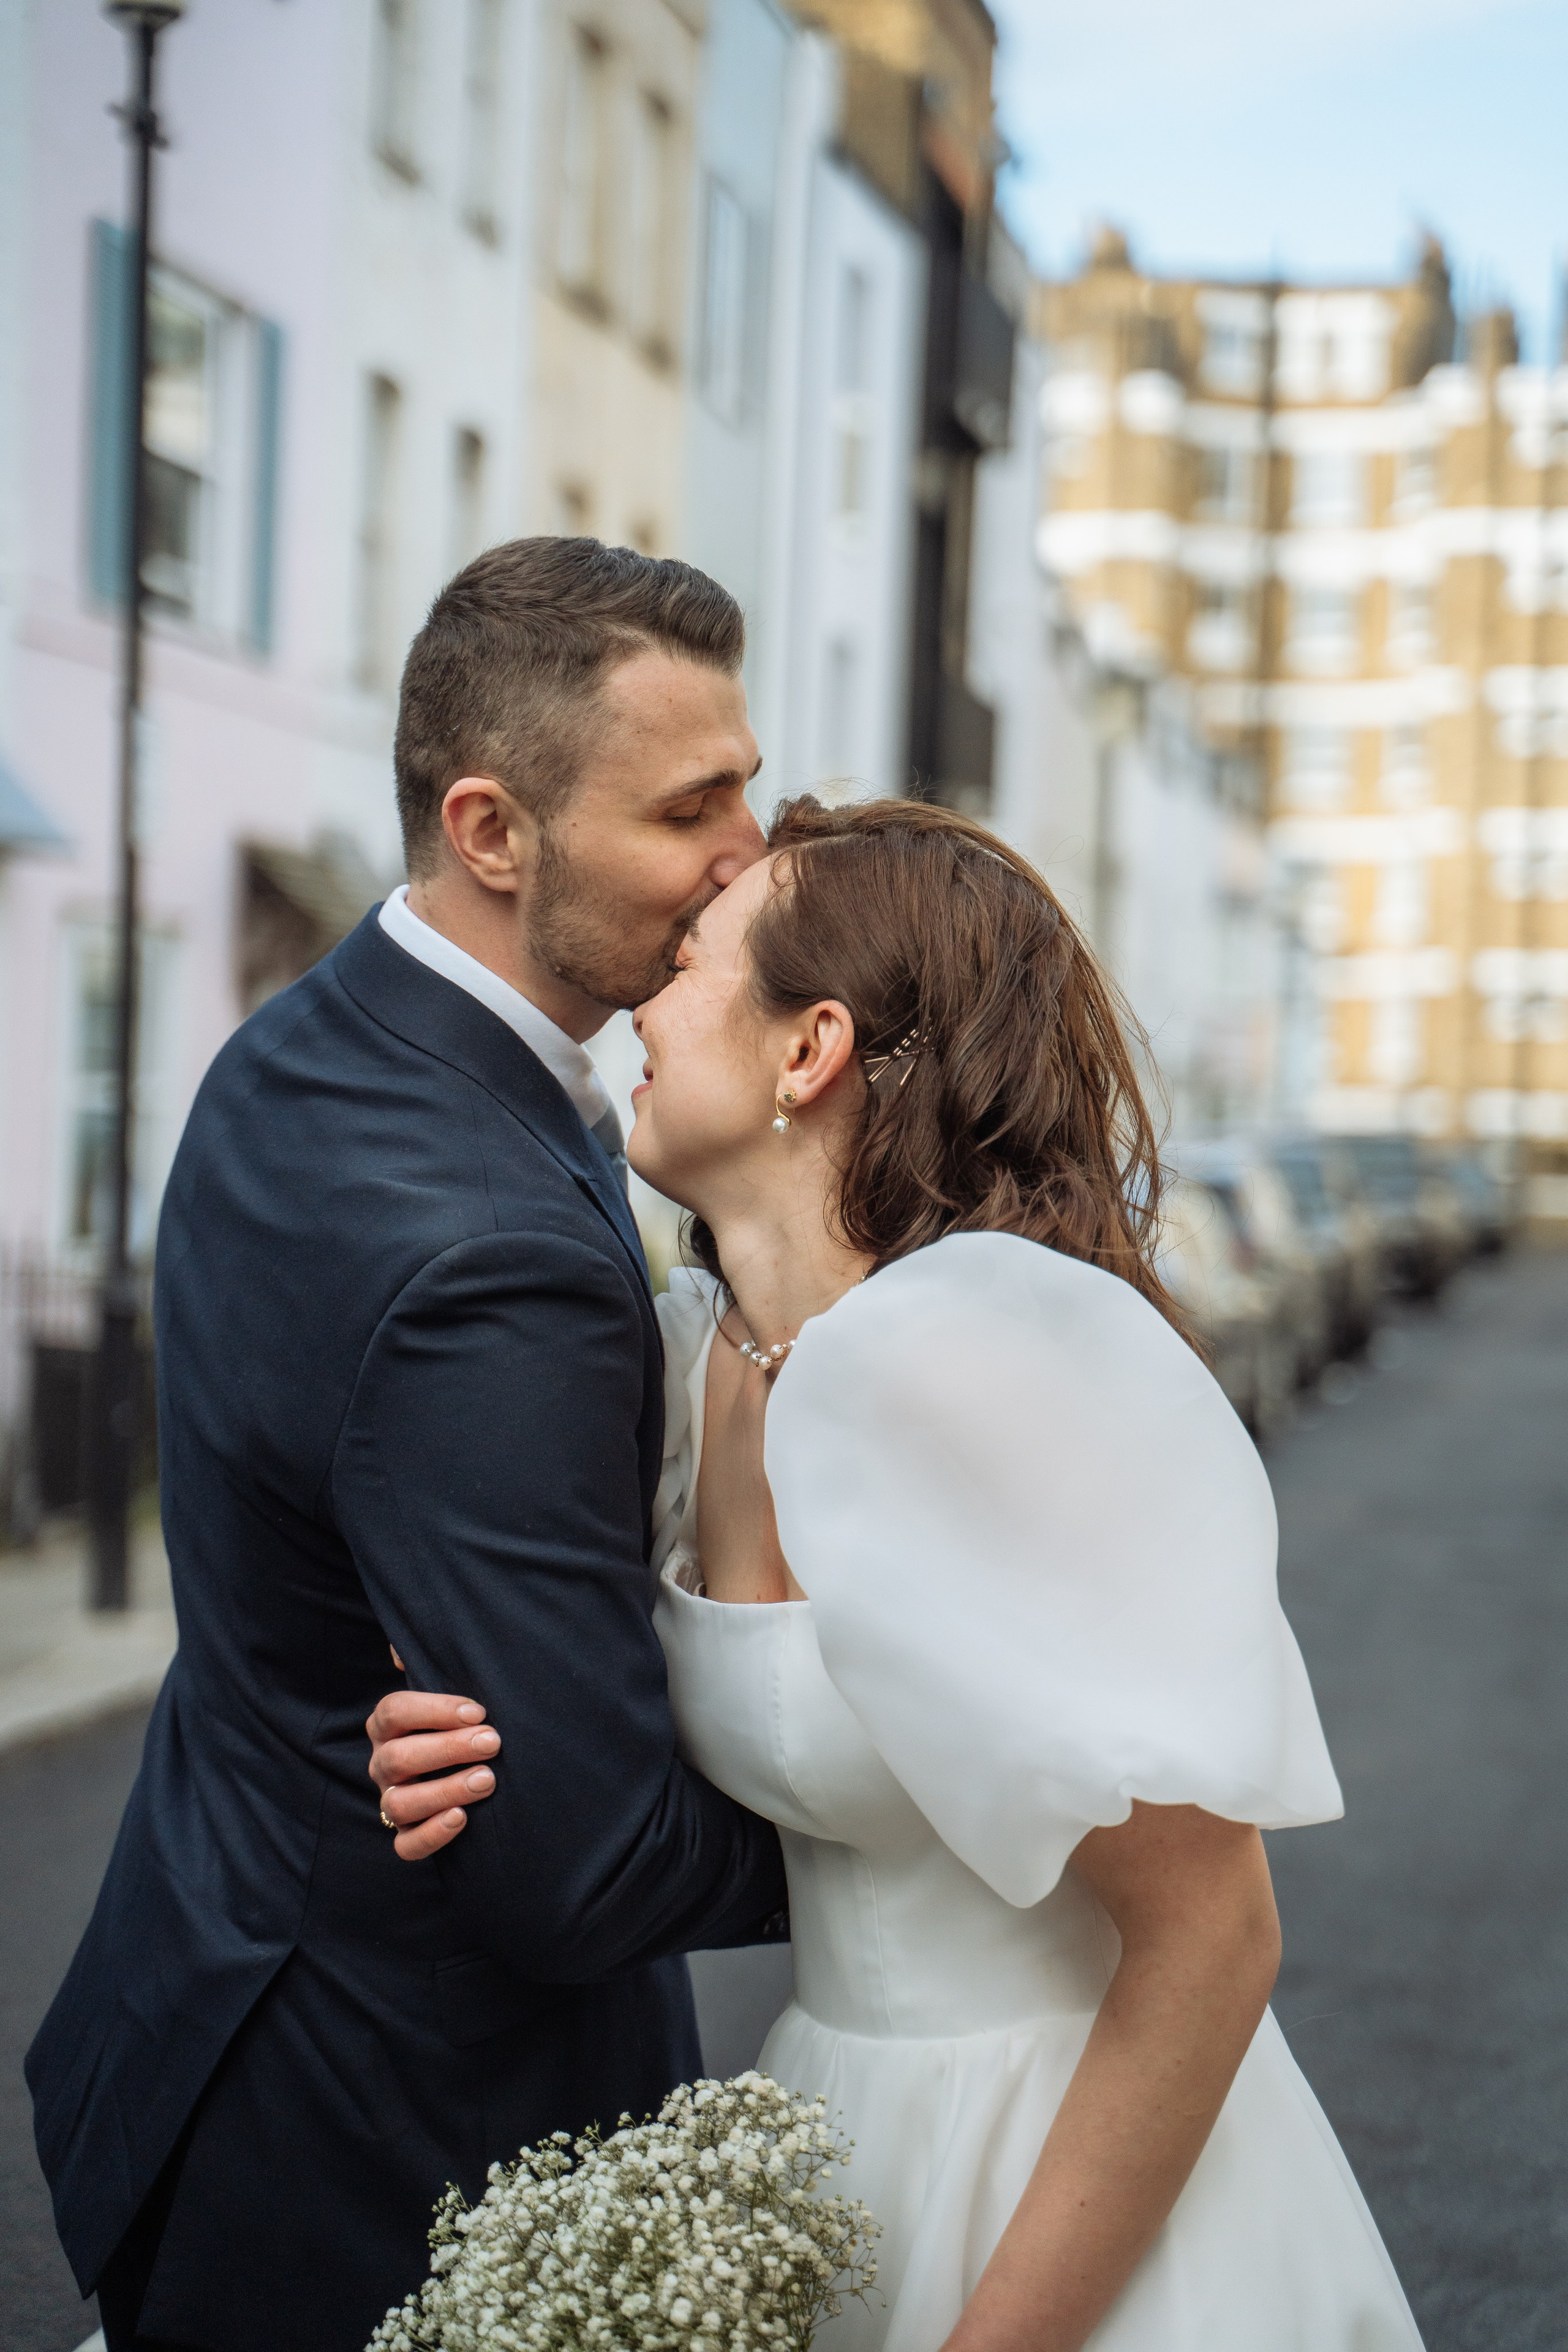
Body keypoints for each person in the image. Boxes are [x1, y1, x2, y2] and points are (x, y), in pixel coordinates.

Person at [373, 796, 1427, 2351]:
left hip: (1078, 2188)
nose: (639, 1003)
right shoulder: (701, 1362)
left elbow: (1213, 1940)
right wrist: (460, 1744)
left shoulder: (977, 1370)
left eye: (690, 963)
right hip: (831, 2137)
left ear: (809, 1051)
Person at [26, 540, 789, 2352]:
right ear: (493, 829)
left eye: (747, 783)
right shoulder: (483, 1253)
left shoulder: (300, 1051)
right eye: (694, 805)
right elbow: (581, 1860)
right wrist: (914, 1822)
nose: (750, 849)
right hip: (395, 2145)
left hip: (222, 1991)